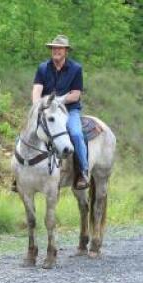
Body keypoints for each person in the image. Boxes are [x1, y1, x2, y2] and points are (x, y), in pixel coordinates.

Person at [33, 34, 88, 190]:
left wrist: (59, 101)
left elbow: (76, 94)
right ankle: (18, 175)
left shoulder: (76, 69)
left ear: (66, 51)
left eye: (60, 48)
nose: (56, 50)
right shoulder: (43, 68)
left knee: (76, 133)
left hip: (69, 109)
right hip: (47, 109)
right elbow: (37, 89)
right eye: (54, 48)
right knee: (26, 131)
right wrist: (37, 106)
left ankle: (82, 172)